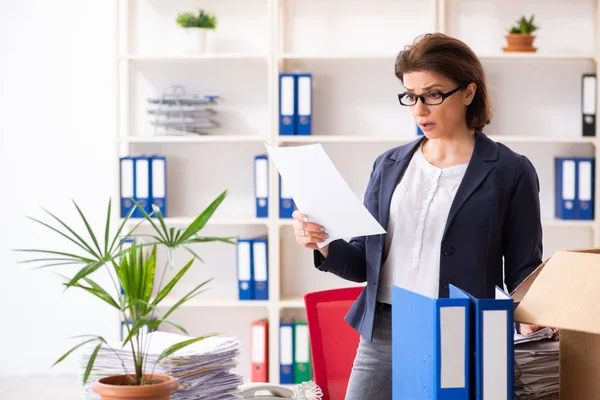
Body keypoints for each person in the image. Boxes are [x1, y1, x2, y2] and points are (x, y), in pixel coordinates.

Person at [292, 32, 548, 399]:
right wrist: (325, 244)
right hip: (384, 331)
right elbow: (366, 261)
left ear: (469, 93)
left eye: (433, 94)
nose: (419, 110)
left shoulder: (510, 171)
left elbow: (525, 269)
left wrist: (535, 321)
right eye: (410, 96)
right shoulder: (390, 164)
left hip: (463, 334)